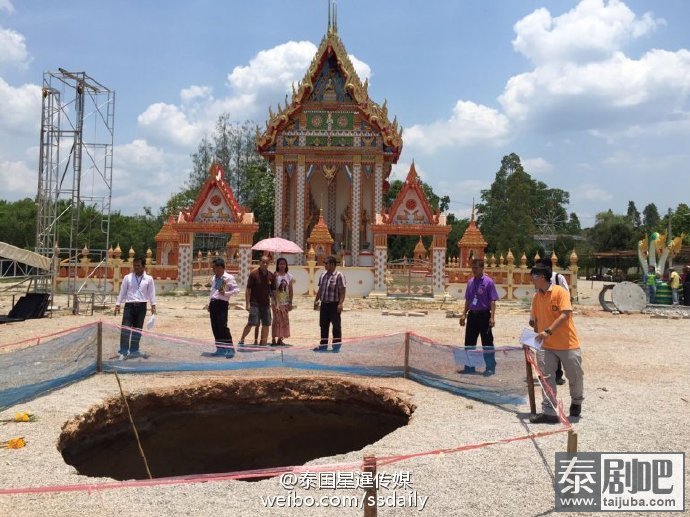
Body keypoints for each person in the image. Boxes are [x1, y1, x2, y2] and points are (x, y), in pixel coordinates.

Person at [528, 263, 584, 424]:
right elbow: (535, 320)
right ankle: (549, 411)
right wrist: (533, 335)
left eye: (533, 276)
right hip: (546, 345)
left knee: (575, 376)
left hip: (567, 343)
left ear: (542, 277)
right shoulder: (536, 297)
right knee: (546, 378)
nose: (531, 280)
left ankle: (576, 401)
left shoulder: (560, 293)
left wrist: (548, 331)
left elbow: (565, 314)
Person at [458, 258, 499, 376]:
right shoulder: (470, 282)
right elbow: (468, 300)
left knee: (487, 342)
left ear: (482, 268)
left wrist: (492, 317)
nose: (473, 270)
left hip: (484, 315)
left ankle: (490, 367)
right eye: (472, 268)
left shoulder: (488, 282)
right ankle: (469, 367)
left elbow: (492, 301)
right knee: (469, 342)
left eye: (476, 268)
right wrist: (463, 314)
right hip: (472, 315)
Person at [114, 257, 156, 360]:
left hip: (142, 306)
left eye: (138, 266)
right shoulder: (127, 278)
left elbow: (151, 293)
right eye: (134, 266)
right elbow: (122, 291)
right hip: (129, 306)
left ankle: (134, 350)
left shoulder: (149, 279)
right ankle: (123, 351)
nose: (136, 268)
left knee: (137, 330)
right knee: (125, 329)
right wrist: (118, 304)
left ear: (143, 267)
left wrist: (153, 305)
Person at [540, 258, 569, 386]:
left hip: (557, 319)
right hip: (544, 317)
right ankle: (548, 373)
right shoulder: (539, 281)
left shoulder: (559, 278)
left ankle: (558, 374)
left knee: (558, 346)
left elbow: (566, 296)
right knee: (546, 347)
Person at [206, 258, 240, 357]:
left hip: (222, 303)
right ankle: (220, 348)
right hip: (213, 303)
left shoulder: (228, 277)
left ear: (221, 267)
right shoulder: (214, 278)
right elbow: (213, 291)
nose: (213, 269)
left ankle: (230, 349)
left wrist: (226, 293)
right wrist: (209, 303)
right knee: (215, 327)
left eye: (215, 267)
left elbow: (237, 290)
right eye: (213, 268)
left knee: (223, 326)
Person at [238, 255, 274, 346]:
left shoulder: (271, 275)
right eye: (263, 262)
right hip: (254, 303)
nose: (265, 264)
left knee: (266, 323)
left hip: (266, 304)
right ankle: (242, 339)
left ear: (269, 263)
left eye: (267, 262)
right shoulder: (253, 274)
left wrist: (274, 302)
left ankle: (263, 342)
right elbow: (248, 289)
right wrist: (247, 304)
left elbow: (272, 291)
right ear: (259, 263)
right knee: (252, 322)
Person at [314, 255, 346, 352]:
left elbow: (342, 291)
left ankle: (336, 346)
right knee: (323, 325)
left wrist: (340, 304)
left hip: (334, 304)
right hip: (324, 304)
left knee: (336, 325)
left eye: (326, 263)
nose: (325, 265)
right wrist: (316, 300)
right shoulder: (323, 275)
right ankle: (323, 345)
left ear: (332, 264)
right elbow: (320, 289)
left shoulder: (339, 275)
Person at [271, 257, 293, 346]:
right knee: (276, 320)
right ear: (278, 265)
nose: (282, 265)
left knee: (284, 320)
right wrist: (276, 302)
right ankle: (273, 339)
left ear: (286, 265)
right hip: (276, 302)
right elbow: (273, 289)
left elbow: (290, 290)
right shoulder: (275, 275)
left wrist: (290, 302)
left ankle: (280, 339)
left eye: (284, 263)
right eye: (280, 264)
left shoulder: (289, 276)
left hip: (285, 302)